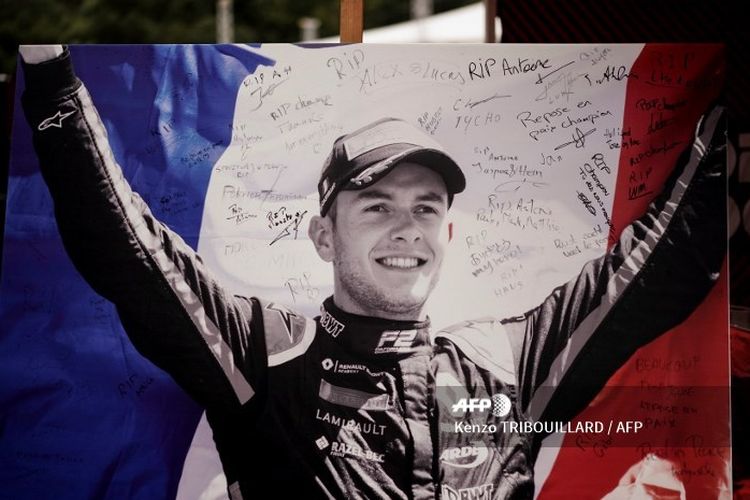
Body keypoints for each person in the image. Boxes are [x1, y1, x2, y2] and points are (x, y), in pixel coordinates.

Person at [19, 45, 725, 500]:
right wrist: (50, 75)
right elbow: (127, 251)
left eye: (425, 207)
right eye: (377, 205)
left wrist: (724, 115)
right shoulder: (265, 358)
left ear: (447, 234)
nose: (405, 227)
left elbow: (661, 267)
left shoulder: (508, 365)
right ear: (323, 235)